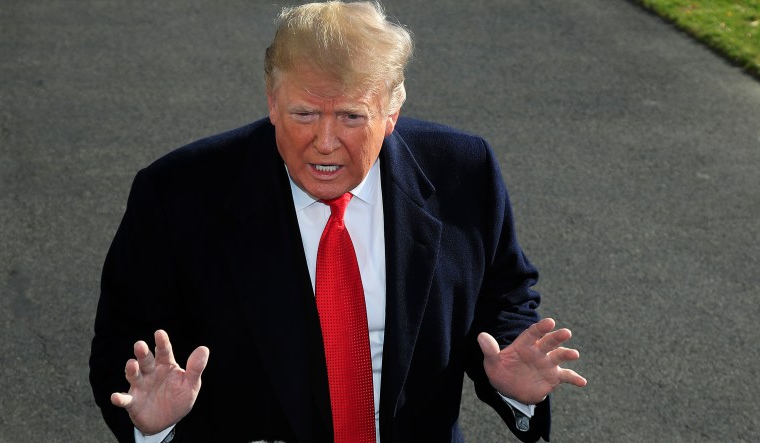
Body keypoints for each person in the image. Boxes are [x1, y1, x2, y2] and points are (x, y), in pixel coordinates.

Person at [89, 1, 586, 442]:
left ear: (392, 111)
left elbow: (503, 299)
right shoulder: (177, 195)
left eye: (350, 117)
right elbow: (125, 345)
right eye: (304, 114)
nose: (324, 142)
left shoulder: (464, 171)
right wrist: (155, 426)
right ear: (271, 101)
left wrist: (512, 378)